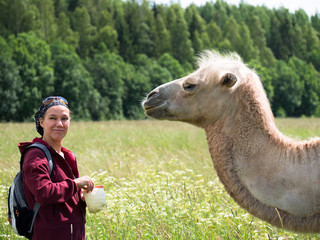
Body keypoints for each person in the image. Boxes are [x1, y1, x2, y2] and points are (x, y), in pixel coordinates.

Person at [18, 96, 94, 240]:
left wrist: (80, 197)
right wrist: (76, 183)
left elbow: (61, 193)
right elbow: (44, 193)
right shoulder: (35, 155)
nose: (59, 123)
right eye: (52, 118)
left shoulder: (67, 155)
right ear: (41, 122)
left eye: (64, 118)